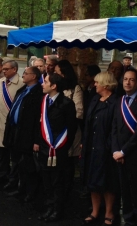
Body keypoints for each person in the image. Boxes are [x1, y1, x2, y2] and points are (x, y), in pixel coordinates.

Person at [37, 73, 78, 223]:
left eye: (45, 82)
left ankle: (57, 209)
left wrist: (62, 146)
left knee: (57, 181)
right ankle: (49, 207)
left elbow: (71, 128)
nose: (42, 84)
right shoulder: (44, 100)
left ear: (54, 86)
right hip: (44, 148)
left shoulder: (67, 104)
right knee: (46, 180)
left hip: (58, 149)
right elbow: (40, 124)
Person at [111, 69, 137, 226]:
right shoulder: (119, 101)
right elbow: (114, 127)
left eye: (131, 80)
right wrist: (115, 150)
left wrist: (123, 151)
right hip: (119, 155)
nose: (127, 82)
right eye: (125, 79)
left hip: (135, 154)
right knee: (124, 190)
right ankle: (127, 219)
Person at [81, 72, 118, 226]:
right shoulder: (95, 99)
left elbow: (115, 127)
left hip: (105, 147)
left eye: (97, 82)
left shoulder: (115, 102)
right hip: (91, 146)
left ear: (105, 84)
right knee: (92, 180)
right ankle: (95, 211)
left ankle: (109, 212)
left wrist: (109, 145)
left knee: (107, 181)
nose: (94, 84)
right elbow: (88, 122)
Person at [3, 66, 44, 201]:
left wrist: (36, 140)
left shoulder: (39, 93)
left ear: (33, 77)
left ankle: (30, 193)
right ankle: (20, 188)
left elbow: (38, 118)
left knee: (29, 166)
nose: (23, 75)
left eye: (26, 73)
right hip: (16, 132)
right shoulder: (22, 90)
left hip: (28, 134)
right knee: (18, 163)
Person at [0, 59, 23, 186]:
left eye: (6, 69)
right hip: (0, 122)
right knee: (1, 153)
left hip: (13, 124)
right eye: (3, 69)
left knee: (13, 155)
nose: (4, 71)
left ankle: (13, 180)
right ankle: (0, 175)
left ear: (15, 69)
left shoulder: (21, 83)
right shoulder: (2, 82)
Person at [54, 59, 84, 195]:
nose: (54, 74)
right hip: (54, 132)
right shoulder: (55, 88)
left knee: (68, 162)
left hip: (69, 130)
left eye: (57, 72)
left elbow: (79, 111)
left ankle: (67, 188)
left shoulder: (75, 89)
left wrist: (62, 119)